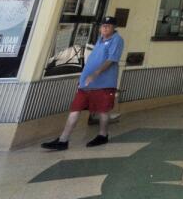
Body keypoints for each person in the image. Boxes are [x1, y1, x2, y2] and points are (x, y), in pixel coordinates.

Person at [42, 15, 124, 150]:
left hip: (104, 83)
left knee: (103, 110)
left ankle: (103, 135)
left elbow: (111, 60)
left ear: (114, 28)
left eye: (108, 26)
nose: (104, 28)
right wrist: (83, 79)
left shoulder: (117, 40)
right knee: (75, 109)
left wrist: (95, 74)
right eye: (103, 26)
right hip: (86, 84)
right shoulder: (100, 39)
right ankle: (63, 140)